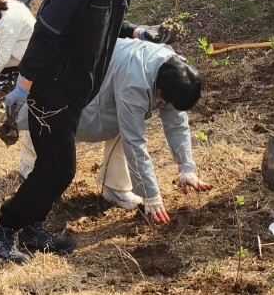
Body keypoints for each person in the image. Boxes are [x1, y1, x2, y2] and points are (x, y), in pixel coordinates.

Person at [0, 0, 179, 263]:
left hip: (75, 88)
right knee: (59, 169)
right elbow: (48, 32)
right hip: (51, 90)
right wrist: (23, 87)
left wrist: (140, 33)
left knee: (51, 166)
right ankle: (2, 231)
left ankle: (31, 227)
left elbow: (105, 24)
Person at [18, 38, 208, 221]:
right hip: (69, 83)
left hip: (102, 80)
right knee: (53, 122)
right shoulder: (136, 82)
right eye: (165, 100)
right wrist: (151, 196)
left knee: (120, 124)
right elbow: (134, 141)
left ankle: (114, 186)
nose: (165, 104)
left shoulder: (175, 71)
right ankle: (29, 163)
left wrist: (186, 168)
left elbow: (176, 123)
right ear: (160, 91)